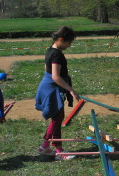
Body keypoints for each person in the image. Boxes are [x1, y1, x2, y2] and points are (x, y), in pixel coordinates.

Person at [35, 26, 80, 160]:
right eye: (69, 42)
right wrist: (71, 90)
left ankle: (49, 146)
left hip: (50, 87)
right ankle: (53, 149)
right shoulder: (57, 55)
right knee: (57, 119)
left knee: (57, 118)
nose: (69, 45)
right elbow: (55, 76)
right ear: (61, 39)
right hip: (51, 89)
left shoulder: (50, 50)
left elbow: (47, 69)